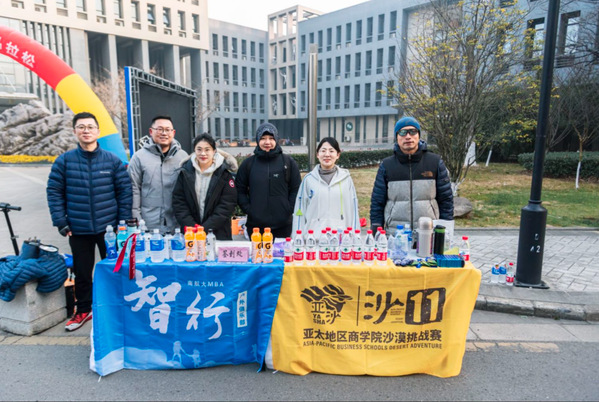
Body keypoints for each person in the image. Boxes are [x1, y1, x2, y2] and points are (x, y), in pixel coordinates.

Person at [46, 111, 132, 331]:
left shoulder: (112, 160)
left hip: (109, 229)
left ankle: (117, 309)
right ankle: (83, 310)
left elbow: (124, 192)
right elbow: (54, 192)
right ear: (75, 131)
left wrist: (122, 224)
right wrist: (61, 222)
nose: (86, 131)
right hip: (78, 228)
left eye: (90, 127)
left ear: (98, 131)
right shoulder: (65, 161)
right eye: (81, 127)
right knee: (82, 273)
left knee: (114, 269)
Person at [370, 116, 453, 235]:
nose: (408, 136)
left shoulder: (434, 162)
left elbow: (446, 201)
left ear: (419, 135)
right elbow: (377, 202)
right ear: (397, 137)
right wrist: (376, 232)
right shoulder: (387, 165)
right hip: (395, 234)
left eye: (412, 132)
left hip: (428, 233)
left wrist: (445, 231)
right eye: (402, 132)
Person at [235, 122, 301, 238]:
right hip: (255, 227)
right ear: (257, 140)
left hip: (283, 226)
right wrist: (249, 210)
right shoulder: (248, 164)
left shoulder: (288, 162)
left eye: (271, 138)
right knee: (257, 251)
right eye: (263, 138)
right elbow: (240, 190)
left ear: (276, 139)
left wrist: (288, 209)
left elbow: (296, 189)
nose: (267, 142)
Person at [128, 115, 188, 234]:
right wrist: (137, 219)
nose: (164, 133)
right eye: (160, 129)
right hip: (148, 223)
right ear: (151, 131)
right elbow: (133, 189)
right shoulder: (139, 157)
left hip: (177, 223)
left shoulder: (183, 157)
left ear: (173, 133)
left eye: (167, 130)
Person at [172, 133, 238, 240]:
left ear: (214, 151)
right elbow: (179, 202)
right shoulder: (185, 172)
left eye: (207, 149)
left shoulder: (224, 173)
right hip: (191, 233)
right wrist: (193, 226)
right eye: (199, 149)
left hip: (218, 233)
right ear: (194, 150)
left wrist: (205, 228)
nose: (203, 153)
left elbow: (227, 204)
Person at [292, 137, 359, 234]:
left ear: (338, 155)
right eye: (323, 151)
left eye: (331, 151)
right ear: (317, 154)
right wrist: (297, 237)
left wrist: (355, 236)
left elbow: (354, 210)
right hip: (314, 238)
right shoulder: (308, 180)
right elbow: (300, 210)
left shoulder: (346, 179)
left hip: (341, 238)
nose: (327, 154)